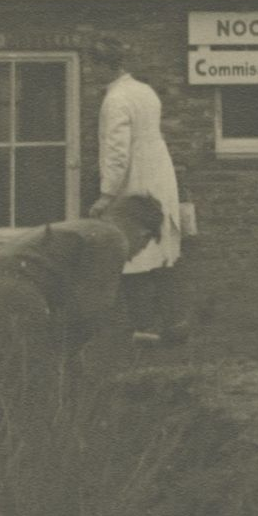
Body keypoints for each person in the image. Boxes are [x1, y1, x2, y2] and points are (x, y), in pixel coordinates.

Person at [0, 193, 165, 407]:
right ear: (144, 235)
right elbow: (90, 313)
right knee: (32, 399)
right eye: (144, 246)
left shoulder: (80, 230)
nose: (134, 256)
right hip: (13, 298)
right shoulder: (113, 238)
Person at [86, 37, 187, 343]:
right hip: (159, 174)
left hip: (137, 178)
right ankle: (170, 321)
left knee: (134, 249)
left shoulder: (116, 100)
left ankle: (145, 327)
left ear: (106, 65)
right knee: (161, 247)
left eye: (95, 66)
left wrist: (106, 194)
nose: (92, 72)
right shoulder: (145, 91)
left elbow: (117, 152)